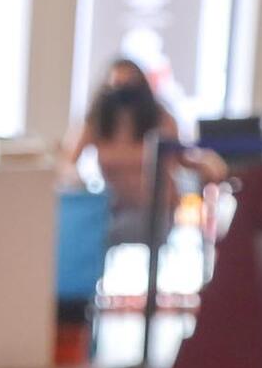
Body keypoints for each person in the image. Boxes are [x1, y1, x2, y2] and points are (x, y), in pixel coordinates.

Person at [62, 58, 222, 247]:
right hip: (114, 209)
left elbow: (183, 157)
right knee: (80, 230)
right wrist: (79, 183)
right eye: (118, 86)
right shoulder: (97, 121)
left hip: (156, 212)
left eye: (130, 86)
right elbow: (68, 160)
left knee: (102, 234)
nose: (123, 94)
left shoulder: (161, 118)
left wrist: (209, 164)